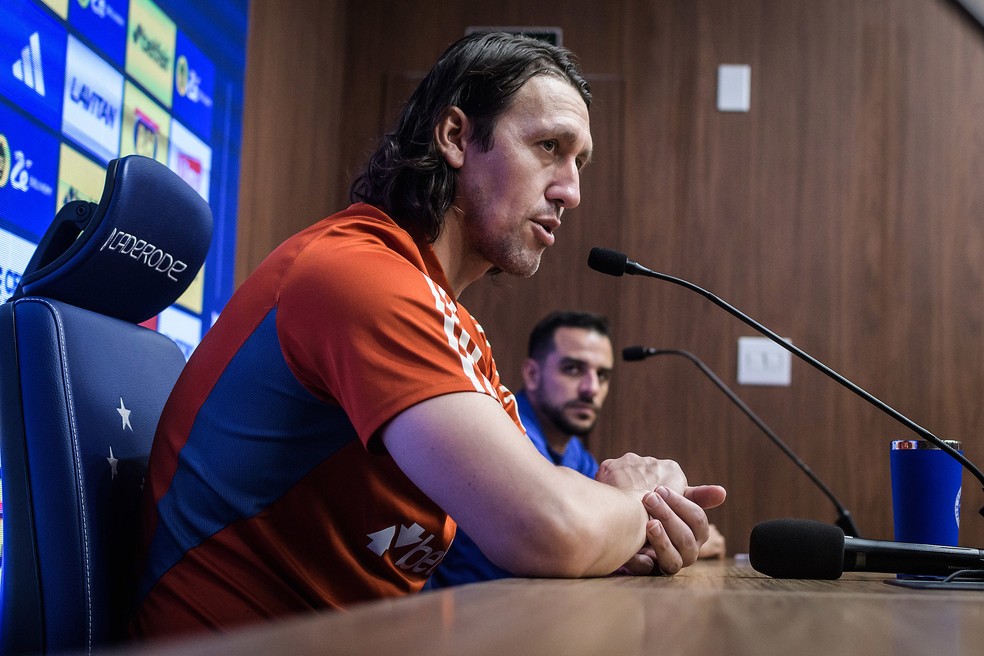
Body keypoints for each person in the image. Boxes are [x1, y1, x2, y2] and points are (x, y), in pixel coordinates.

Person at [131, 32, 727, 639]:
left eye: (580, 163)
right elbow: (546, 528)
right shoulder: (358, 277)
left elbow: (553, 502)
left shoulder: (455, 327)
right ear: (455, 136)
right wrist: (639, 502)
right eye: (549, 147)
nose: (570, 191)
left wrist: (632, 527)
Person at [430, 311, 726, 587]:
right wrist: (652, 512)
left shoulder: (576, 454)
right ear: (532, 375)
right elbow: (556, 538)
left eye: (602, 375)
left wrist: (663, 531)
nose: (591, 388)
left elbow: (606, 532)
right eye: (573, 369)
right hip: (466, 620)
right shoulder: (495, 431)